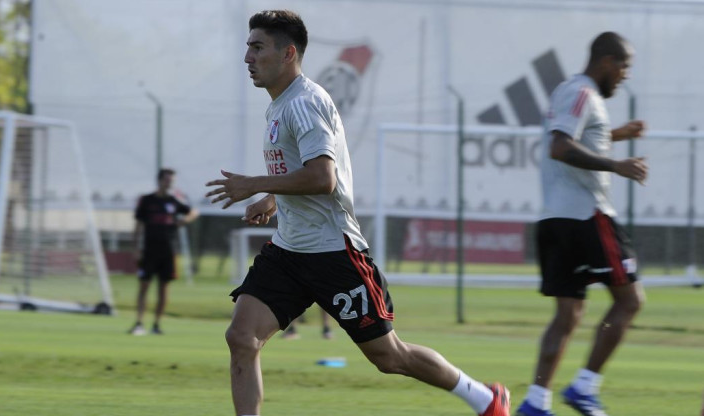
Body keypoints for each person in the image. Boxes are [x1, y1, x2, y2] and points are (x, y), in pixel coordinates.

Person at [205, 10, 510, 416]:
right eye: (248, 47)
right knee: (242, 337)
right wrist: (274, 200)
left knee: (389, 357)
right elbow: (301, 171)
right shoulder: (278, 106)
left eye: (257, 47)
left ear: (288, 53)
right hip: (289, 251)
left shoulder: (304, 103)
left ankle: (485, 399)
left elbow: (323, 178)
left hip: (334, 253)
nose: (247, 57)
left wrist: (257, 183)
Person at [516, 32, 647, 416]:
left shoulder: (576, 95)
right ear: (606, 61)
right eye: (623, 66)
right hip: (587, 215)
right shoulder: (582, 92)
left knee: (569, 313)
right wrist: (616, 165)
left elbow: (576, 137)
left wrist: (617, 135)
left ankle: (536, 403)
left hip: (556, 218)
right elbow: (560, 146)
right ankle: (585, 387)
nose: (625, 75)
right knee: (631, 300)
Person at [129, 168, 198, 336]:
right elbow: (138, 225)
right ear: (159, 180)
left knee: (163, 288)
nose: (169, 183)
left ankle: (156, 325)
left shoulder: (174, 201)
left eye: (171, 181)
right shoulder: (147, 200)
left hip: (168, 251)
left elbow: (194, 212)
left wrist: (183, 221)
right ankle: (139, 323)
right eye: (167, 180)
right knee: (144, 285)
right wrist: (136, 247)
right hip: (149, 250)